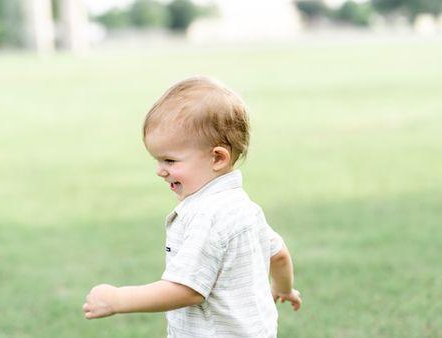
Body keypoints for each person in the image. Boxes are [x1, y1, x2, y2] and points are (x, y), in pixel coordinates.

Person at [84, 76, 302, 337]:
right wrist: (284, 288)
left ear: (217, 158)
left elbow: (188, 290)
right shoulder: (244, 207)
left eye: (170, 160)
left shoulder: (207, 215)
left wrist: (117, 299)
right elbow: (278, 255)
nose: (160, 171)